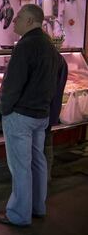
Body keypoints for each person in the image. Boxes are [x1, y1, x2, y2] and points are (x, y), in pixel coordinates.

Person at [0, 4, 61, 227]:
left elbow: (12, 84)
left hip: (20, 116)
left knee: (21, 167)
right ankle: (38, 207)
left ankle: (18, 215)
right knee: (37, 163)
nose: (14, 20)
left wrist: (4, 109)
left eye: (19, 17)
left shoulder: (25, 46)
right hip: (40, 115)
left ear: (31, 21)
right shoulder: (50, 46)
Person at [44, 53, 68, 182]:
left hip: (39, 113)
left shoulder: (43, 58)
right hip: (50, 111)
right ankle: (45, 178)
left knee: (39, 149)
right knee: (46, 145)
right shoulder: (60, 59)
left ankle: (41, 180)